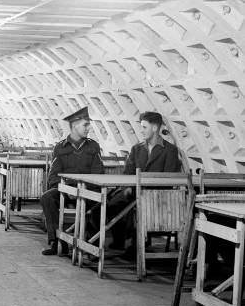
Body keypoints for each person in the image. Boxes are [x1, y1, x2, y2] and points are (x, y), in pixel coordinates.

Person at [106, 111, 181, 257]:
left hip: (156, 196)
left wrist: (147, 190)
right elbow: (128, 172)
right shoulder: (137, 148)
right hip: (134, 192)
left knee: (136, 208)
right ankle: (120, 240)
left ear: (154, 128)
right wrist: (128, 187)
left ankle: (137, 244)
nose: (141, 130)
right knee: (112, 203)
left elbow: (170, 179)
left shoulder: (170, 150)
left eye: (144, 127)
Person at [40, 107, 104, 256]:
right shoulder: (60, 147)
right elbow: (53, 177)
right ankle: (57, 241)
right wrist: (67, 191)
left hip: (88, 190)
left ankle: (92, 244)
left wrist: (83, 190)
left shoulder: (93, 146)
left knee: (99, 201)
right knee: (47, 197)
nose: (88, 128)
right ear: (74, 126)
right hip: (65, 190)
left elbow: (99, 173)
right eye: (85, 125)